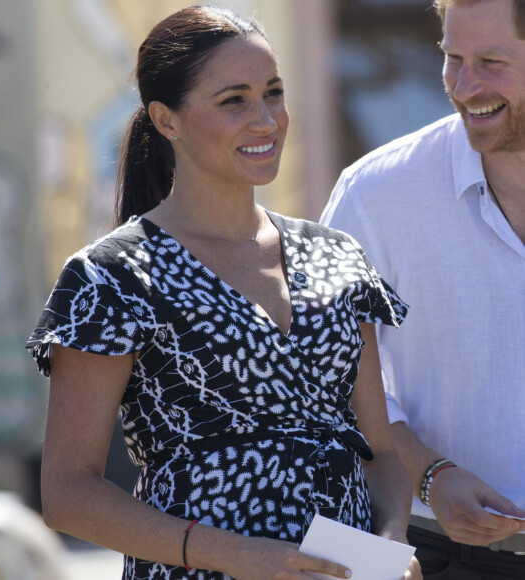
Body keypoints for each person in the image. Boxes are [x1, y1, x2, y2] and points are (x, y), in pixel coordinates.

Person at [26, 6, 421, 580]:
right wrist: (230, 553)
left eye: (274, 93)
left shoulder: (338, 256)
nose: (265, 119)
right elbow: (67, 492)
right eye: (233, 100)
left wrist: (389, 550)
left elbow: (380, 453)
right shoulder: (112, 275)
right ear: (167, 120)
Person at [320, 0, 525, 578]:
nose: (463, 86)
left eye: (490, 61)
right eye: (452, 58)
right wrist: (430, 475)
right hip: (431, 558)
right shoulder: (376, 194)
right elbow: (319, 379)